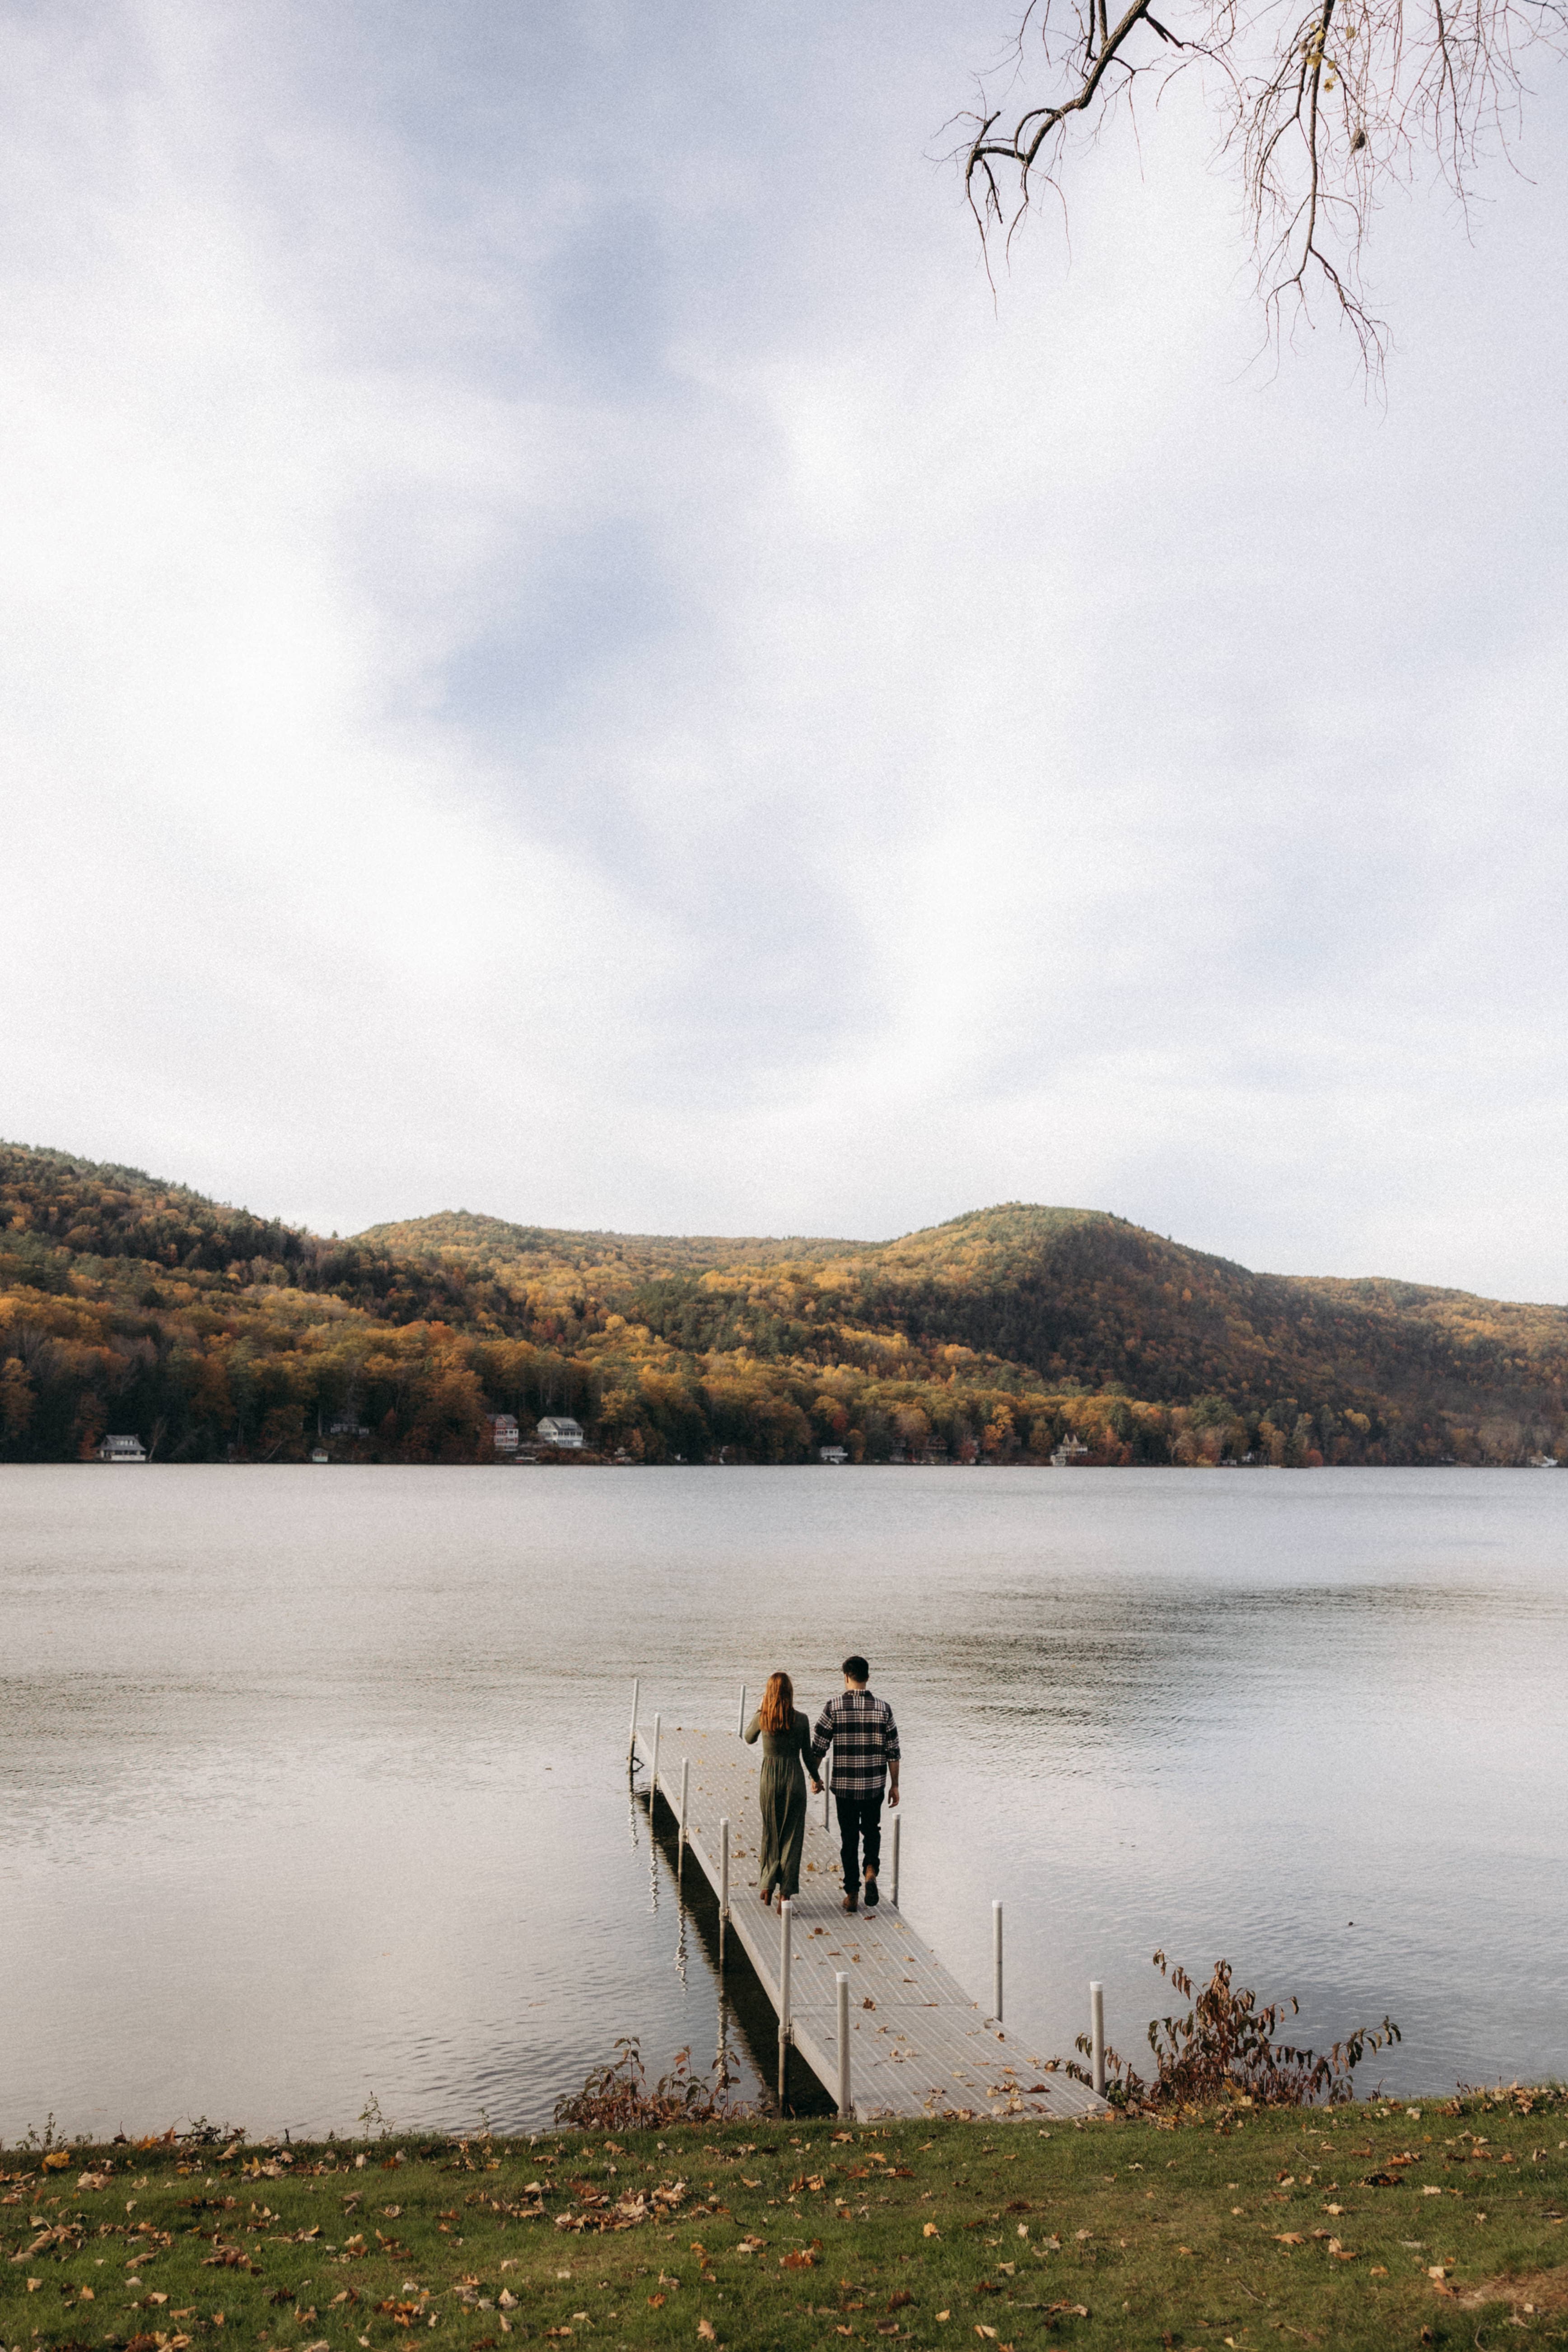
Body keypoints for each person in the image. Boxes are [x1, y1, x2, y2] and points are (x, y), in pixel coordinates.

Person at [810, 1655, 900, 1913]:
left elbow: (818, 1747)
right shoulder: (884, 1709)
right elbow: (893, 1752)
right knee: (872, 1830)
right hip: (874, 1786)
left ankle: (852, 1894)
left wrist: (815, 1777)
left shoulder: (834, 1706)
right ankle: (871, 1870)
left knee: (849, 1839)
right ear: (868, 1677)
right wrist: (895, 1785)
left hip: (846, 1787)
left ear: (846, 1677)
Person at [744, 1670, 822, 1910]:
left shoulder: (763, 1718)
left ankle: (767, 1884)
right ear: (790, 1693)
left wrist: (759, 1710)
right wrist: (816, 1779)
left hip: (769, 1779)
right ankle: (785, 1895)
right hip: (793, 1779)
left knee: (771, 1832)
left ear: (768, 1693)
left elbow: (748, 1739)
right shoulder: (801, 1719)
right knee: (792, 1836)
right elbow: (808, 1756)